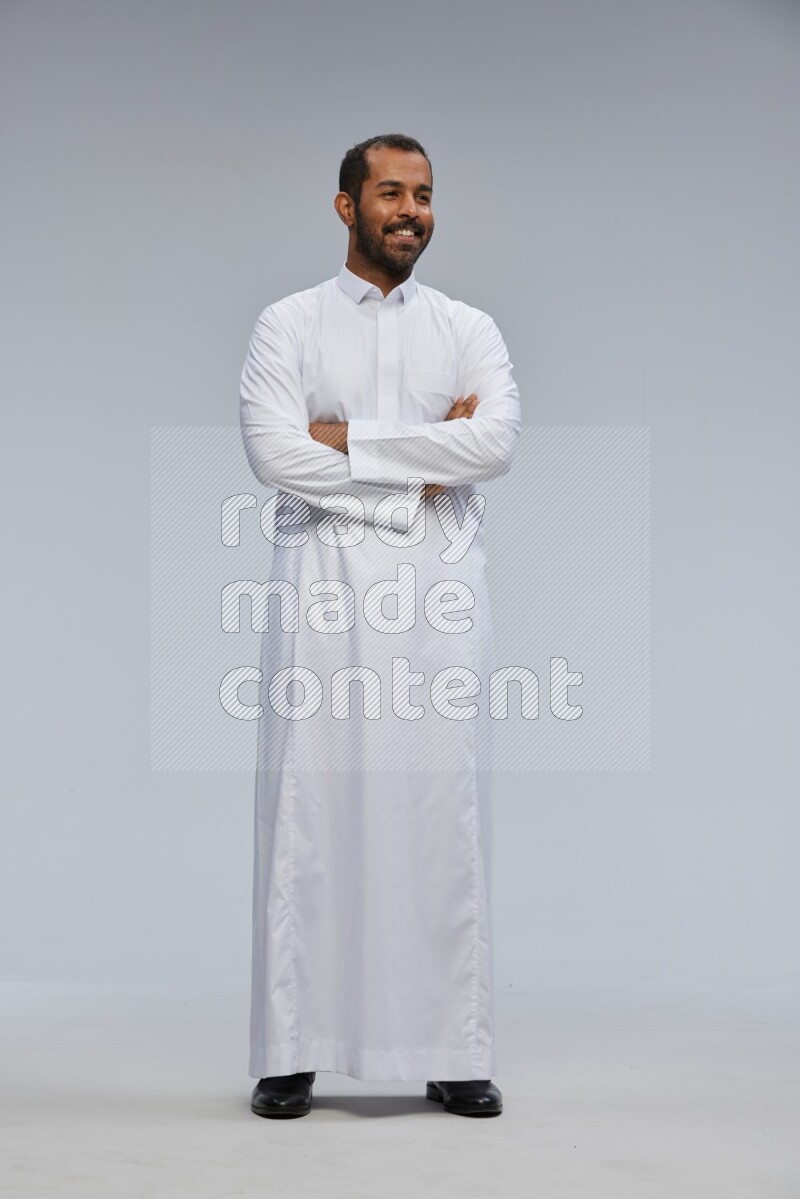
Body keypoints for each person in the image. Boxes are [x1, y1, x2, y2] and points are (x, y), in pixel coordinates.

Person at [239, 133, 521, 1119]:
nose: (411, 211)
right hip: (322, 594)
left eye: (424, 195)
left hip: (441, 601)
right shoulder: (288, 324)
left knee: (442, 809)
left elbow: (494, 441)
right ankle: (291, 1050)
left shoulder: (467, 328)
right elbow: (275, 455)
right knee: (311, 809)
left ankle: (453, 1049)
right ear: (345, 206)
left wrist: (345, 438)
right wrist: (418, 469)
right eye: (391, 192)